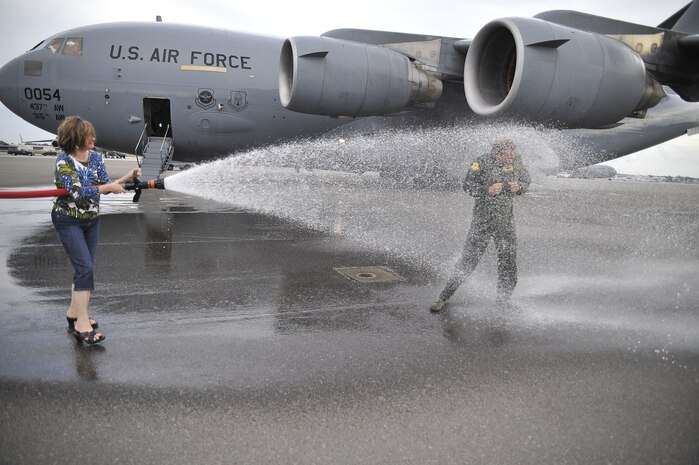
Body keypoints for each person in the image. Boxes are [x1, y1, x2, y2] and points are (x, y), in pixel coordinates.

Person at [52, 116, 141, 344]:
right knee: (85, 269)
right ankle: (82, 324)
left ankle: (73, 312)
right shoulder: (64, 162)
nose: (93, 138)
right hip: (68, 219)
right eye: (88, 135)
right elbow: (78, 192)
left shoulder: (96, 158)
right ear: (76, 137)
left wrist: (127, 177)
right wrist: (107, 187)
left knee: (85, 268)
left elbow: (105, 186)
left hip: (91, 220)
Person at [430, 138, 530, 312]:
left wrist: (520, 186)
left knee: (508, 262)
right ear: (497, 153)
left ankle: (502, 301)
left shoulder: (517, 160)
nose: (511, 156)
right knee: (468, 261)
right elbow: (467, 186)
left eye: (513, 152)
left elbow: (526, 178)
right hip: (482, 223)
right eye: (508, 153)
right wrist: (487, 190)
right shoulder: (481, 162)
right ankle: (443, 297)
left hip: (505, 222)